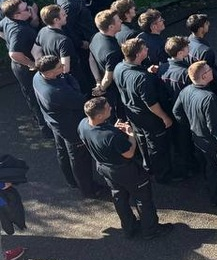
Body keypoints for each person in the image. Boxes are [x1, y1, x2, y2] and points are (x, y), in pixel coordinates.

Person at [78, 97, 174, 240]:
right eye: (107, 108)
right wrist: (130, 135)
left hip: (105, 168)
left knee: (119, 197)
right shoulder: (111, 136)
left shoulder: (83, 125)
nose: (110, 108)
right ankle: (151, 230)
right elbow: (129, 153)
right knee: (143, 198)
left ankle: (129, 228)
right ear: (99, 115)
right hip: (126, 170)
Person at [32, 56, 100, 198]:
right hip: (71, 128)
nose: (63, 68)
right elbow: (80, 100)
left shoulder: (38, 77)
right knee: (79, 159)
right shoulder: (58, 92)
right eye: (59, 67)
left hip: (55, 123)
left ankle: (71, 180)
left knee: (62, 151)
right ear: (50, 73)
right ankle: (88, 189)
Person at [114, 38, 180, 184]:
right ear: (138, 54)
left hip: (133, 114)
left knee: (142, 140)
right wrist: (165, 117)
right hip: (150, 118)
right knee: (157, 146)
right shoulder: (142, 78)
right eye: (144, 49)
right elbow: (151, 104)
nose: (147, 50)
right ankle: (163, 176)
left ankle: (148, 166)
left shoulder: (119, 67)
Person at [176, 61, 217, 207]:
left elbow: (177, 112)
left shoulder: (185, 91)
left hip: (197, 139)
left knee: (208, 168)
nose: (212, 70)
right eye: (209, 70)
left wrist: (192, 126)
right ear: (204, 76)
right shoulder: (209, 98)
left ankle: (213, 197)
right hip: (211, 142)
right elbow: (215, 127)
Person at [3, 0, 48, 137]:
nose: (29, 9)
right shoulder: (19, 30)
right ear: (17, 15)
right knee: (35, 96)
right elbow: (14, 53)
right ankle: (45, 129)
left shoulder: (7, 21)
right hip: (25, 68)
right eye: (25, 9)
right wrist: (31, 64)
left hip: (19, 66)